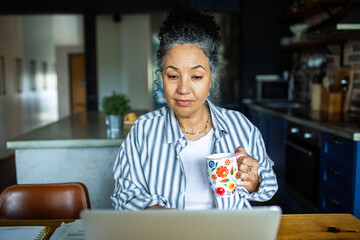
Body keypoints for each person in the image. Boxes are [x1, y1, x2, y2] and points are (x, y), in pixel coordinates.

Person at [111, 6, 278, 210]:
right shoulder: (144, 130)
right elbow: (123, 195)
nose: (183, 88)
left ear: (211, 79)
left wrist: (254, 183)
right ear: (161, 77)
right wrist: (156, 213)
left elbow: (269, 187)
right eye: (173, 76)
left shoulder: (240, 126)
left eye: (196, 77)